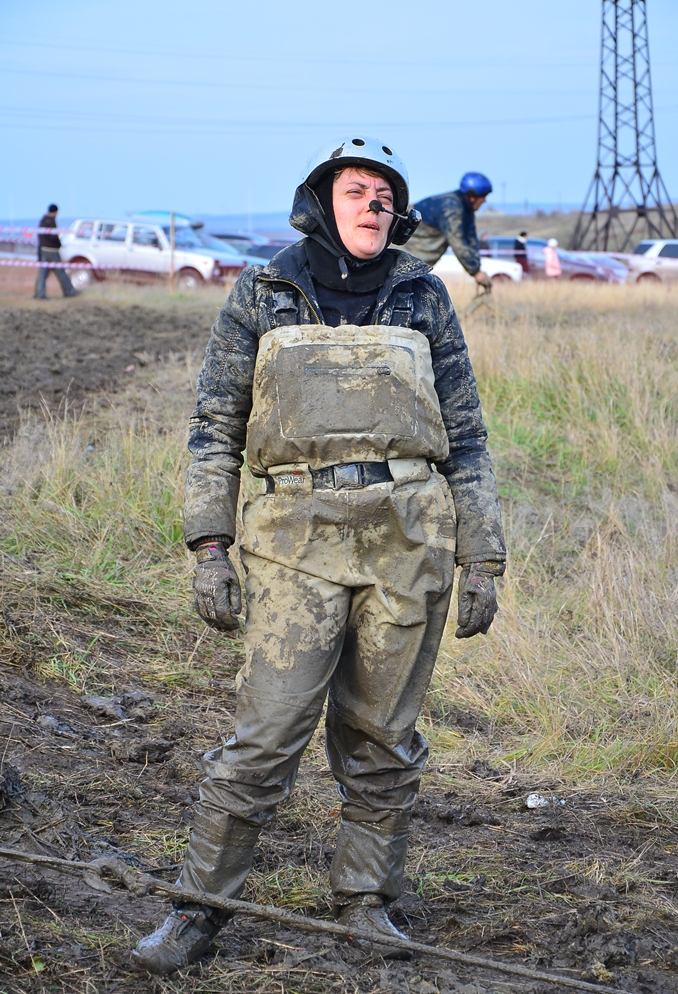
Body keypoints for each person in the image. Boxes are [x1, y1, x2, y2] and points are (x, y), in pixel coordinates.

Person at [132, 137, 506, 976]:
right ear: (320, 202)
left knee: (382, 735)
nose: (373, 203)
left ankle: (366, 904)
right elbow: (215, 428)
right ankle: (196, 910)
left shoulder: (422, 295)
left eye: (385, 193)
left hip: (407, 539)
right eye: (356, 189)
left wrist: (484, 557)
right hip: (293, 539)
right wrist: (209, 546)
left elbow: (467, 437)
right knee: (267, 734)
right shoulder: (265, 291)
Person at [402, 172, 493, 290]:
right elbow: (457, 242)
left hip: (414, 261)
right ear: (472, 196)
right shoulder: (451, 209)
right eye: (483, 196)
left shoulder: (466, 209)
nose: (485, 201)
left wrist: (477, 266)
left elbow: (471, 239)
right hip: (406, 254)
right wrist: (476, 272)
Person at [33, 204, 78, 299]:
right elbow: (53, 237)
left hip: (43, 249)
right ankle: (70, 291)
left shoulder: (43, 220)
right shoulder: (50, 222)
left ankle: (39, 293)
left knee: (43, 273)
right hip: (52, 250)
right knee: (60, 272)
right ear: (55, 212)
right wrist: (59, 244)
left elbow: (41, 237)